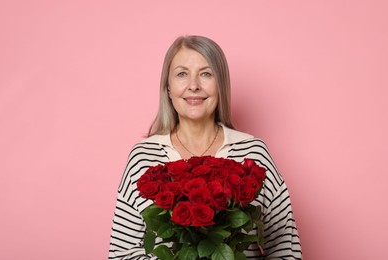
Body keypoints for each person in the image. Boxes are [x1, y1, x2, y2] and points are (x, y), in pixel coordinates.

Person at [108, 35, 302, 259]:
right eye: (182, 74)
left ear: (220, 85)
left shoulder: (253, 153)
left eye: (206, 74)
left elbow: (286, 249)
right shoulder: (142, 157)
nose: (194, 86)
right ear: (168, 88)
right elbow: (121, 253)